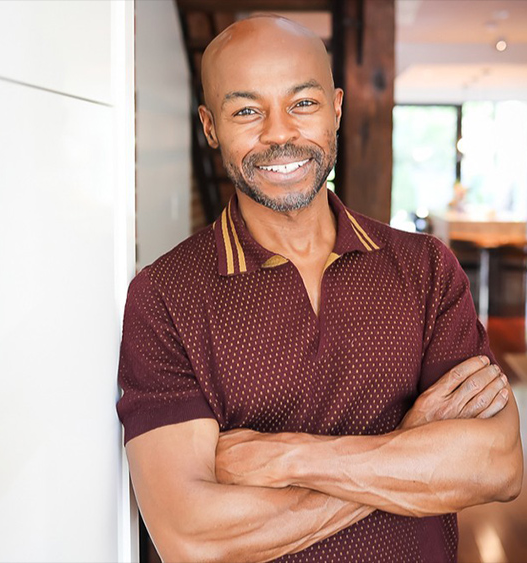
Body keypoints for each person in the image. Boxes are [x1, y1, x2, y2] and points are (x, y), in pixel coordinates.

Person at [116, 15, 522, 563]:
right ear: (210, 127)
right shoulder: (164, 296)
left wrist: (286, 458)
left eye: (302, 103)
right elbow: (191, 537)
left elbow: (495, 465)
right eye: (246, 111)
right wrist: (410, 444)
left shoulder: (425, 268)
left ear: (336, 107)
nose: (280, 133)